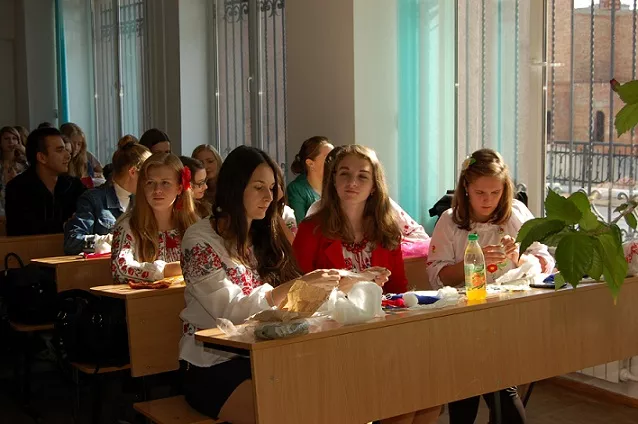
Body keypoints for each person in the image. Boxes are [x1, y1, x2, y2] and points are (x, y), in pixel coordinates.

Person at [179, 145, 342, 424]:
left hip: (270, 354)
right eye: (258, 187)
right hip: (213, 363)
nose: (268, 196)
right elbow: (229, 312)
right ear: (235, 187)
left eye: (271, 188)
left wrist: (335, 288)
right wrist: (294, 287)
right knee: (292, 411)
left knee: (338, 391)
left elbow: (293, 305)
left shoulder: (267, 232)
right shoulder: (199, 240)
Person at [426, 148, 555, 424]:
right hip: (463, 322)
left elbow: (546, 262)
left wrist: (519, 257)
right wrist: (473, 262)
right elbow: (438, 276)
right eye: (480, 193)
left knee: (504, 399)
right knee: (464, 400)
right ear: (466, 188)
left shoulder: (515, 213)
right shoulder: (449, 221)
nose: (488, 200)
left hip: (504, 320)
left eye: (495, 193)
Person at [306, 146, 430, 256]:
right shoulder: (315, 216)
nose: (352, 183)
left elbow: (420, 237)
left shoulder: (384, 210)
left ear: (374, 185)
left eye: (362, 176)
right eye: (344, 174)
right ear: (333, 178)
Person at [111, 153, 198, 284]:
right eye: (150, 183)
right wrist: (165, 270)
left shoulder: (194, 224)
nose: (157, 190)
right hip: (146, 296)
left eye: (165, 183)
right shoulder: (128, 225)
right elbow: (120, 269)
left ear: (179, 188)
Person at [64, 139, 151, 254]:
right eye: (147, 177)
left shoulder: (144, 200)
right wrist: (109, 240)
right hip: (103, 265)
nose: (150, 183)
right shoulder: (93, 199)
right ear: (133, 172)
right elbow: (72, 242)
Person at [5, 127, 86, 236]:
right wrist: (65, 226)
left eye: (66, 150)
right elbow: (21, 231)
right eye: (60, 150)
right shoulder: (17, 188)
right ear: (42, 157)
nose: (68, 156)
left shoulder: (74, 185)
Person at [286, 136, 333, 222]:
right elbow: (300, 225)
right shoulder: (296, 189)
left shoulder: (335, 185)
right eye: (328, 158)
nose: (335, 162)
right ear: (310, 163)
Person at [0, 127, 27, 215]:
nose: (11, 141)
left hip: (21, 205)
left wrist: (24, 150)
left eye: (14, 138)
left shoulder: (24, 163)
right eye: (6, 139)